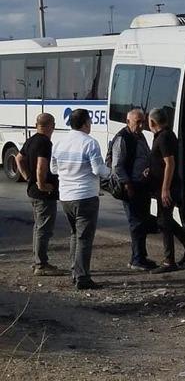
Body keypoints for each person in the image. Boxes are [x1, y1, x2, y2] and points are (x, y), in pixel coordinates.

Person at [50, 109, 111, 289]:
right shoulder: (90, 143)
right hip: (85, 196)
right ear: (85, 123)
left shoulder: (59, 142)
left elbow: (53, 169)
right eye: (89, 121)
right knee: (84, 238)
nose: (90, 124)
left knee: (75, 234)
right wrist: (111, 172)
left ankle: (75, 271)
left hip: (66, 196)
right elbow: (98, 170)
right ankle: (82, 278)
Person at [147, 108, 185, 273]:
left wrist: (165, 189)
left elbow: (170, 163)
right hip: (164, 185)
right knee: (165, 220)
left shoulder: (164, 137)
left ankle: (169, 260)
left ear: (152, 122)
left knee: (164, 222)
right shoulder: (165, 135)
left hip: (168, 187)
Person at [16, 113, 63, 276]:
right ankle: (41, 265)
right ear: (52, 126)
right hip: (43, 194)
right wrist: (42, 184)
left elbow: (18, 158)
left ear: (37, 125)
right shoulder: (44, 143)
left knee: (38, 227)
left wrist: (27, 177)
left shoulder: (31, 140)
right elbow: (41, 166)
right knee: (44, 229)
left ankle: (37, 260)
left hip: (32, 191)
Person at [112, 108, 157, 271]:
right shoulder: (123, 138)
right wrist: (127, 184)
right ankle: (137, 260)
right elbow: (117, 166)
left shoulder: (140, 136)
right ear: (128, 121)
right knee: (136, 223)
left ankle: (139, 257)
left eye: (142, 122)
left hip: (142, 185)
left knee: (142, 222)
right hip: (132, 187)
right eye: (137, 122)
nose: (141, 125)